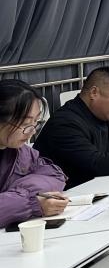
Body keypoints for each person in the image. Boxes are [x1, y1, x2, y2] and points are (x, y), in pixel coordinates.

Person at [0, 80, 68, 228]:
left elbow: (54, 174)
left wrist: (22, 196)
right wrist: (32, 203)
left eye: (35, 122)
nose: (32, 131)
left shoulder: (18, 151)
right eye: (25, 124)